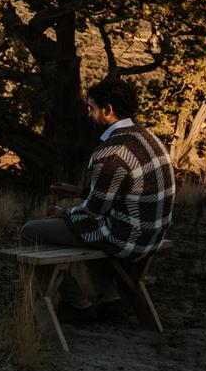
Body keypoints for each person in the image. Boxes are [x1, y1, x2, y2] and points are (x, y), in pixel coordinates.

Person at [21, 78, 175, 321]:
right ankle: (109, 295)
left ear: (108, 110)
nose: (89, 114)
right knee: (85, 229)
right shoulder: (149, 138)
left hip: (128, 239)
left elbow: (95, 210)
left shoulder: (111, 152)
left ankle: (77, 305)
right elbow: (123, 192)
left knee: (32, 231)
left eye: (91, 108)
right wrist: (79, 192)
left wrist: (65, 214)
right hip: (153, 234)